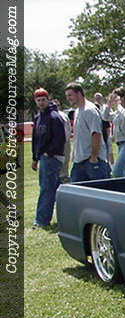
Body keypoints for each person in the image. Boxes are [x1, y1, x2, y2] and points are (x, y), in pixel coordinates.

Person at [31, 88, 66, 228]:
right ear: (35, 101)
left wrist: (48, 153)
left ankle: (42, 220)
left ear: (48, 99)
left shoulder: (54, 116)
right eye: (38, 100)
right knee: (55, 187)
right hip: (43, 157)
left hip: (53, 157)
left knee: (47, 188)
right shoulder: (38, 118)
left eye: (43, 100)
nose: (41, 102)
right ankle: (69, 212)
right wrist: (35, 158)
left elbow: (60, 138)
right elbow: (35, 140)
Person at [64, 82, 110, 182]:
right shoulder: (77, 111)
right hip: (79, 162)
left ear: (79, 93)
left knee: (98, 191)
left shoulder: (89, 110)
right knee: (76, 191)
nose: (68, 98)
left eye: (70, 95)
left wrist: (94, 158)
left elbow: (96, 134)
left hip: (92, 161)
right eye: (67, 96)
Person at [102, 87, 125, 177]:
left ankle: (121, 186)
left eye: (116, 97)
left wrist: (118, 105)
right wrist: (109, 105)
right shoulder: (117, 112)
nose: (115, 100)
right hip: (120, 144)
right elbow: (105, 117)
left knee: (116, 171)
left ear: (123, 97)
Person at [51, 98, 71, 183]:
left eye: (58, 105)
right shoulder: (50, 116)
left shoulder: (64, 115)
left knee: (66, 160)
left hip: (65, 142)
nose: (56, 107)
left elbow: (68, 128)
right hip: (55, 143)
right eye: (54, 105)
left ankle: (64, 176)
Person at [93, 92, 114, 165]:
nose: (98, 99)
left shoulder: (105, 107)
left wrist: (108, 136)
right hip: (99, 135)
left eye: (99, 98)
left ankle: (111, 165)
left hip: (106, 134)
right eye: (96, 98)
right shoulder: (94, 109)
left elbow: (108, 123)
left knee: (109, 150)